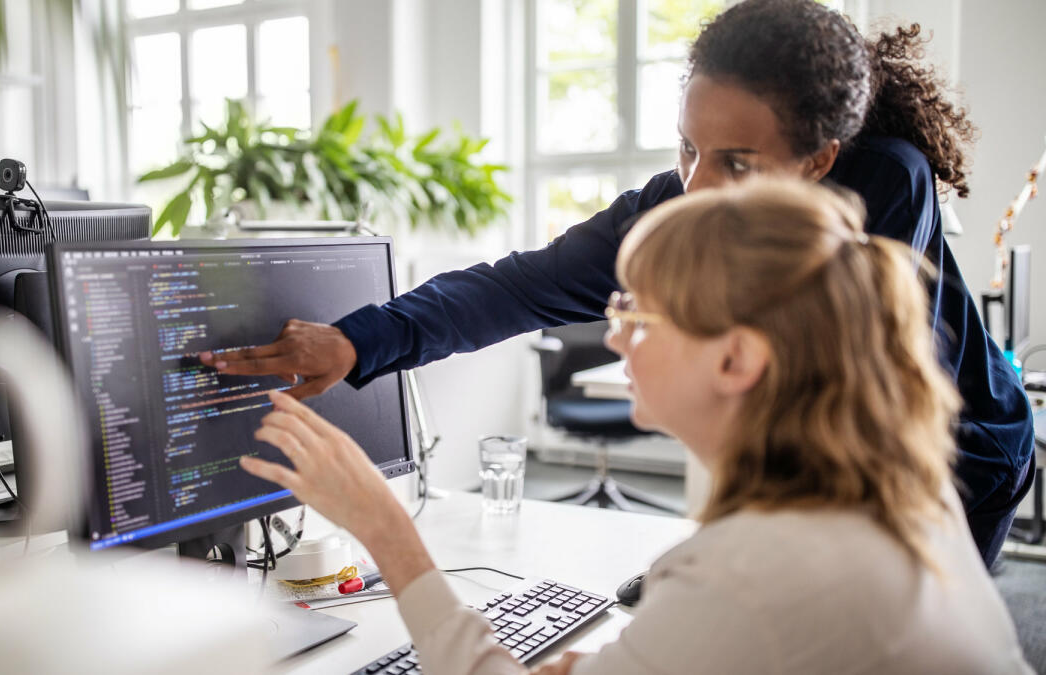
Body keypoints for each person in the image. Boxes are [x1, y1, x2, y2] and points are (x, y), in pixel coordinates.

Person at [200, 0, 1034, 567]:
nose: (699, 186)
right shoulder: (679, 203)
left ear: (818, 158)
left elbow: (838, 385)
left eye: (737, 162)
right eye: (687, 149)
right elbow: (520, 285)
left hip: (962, 455)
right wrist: (359, 339)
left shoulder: (884, 179)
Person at [238, 178, 1032, 674]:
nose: (614, 335)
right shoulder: (897, 493)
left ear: (736, 360)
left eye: (638, 313)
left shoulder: (752, 574)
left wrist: (380, 522)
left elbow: (752, 609)